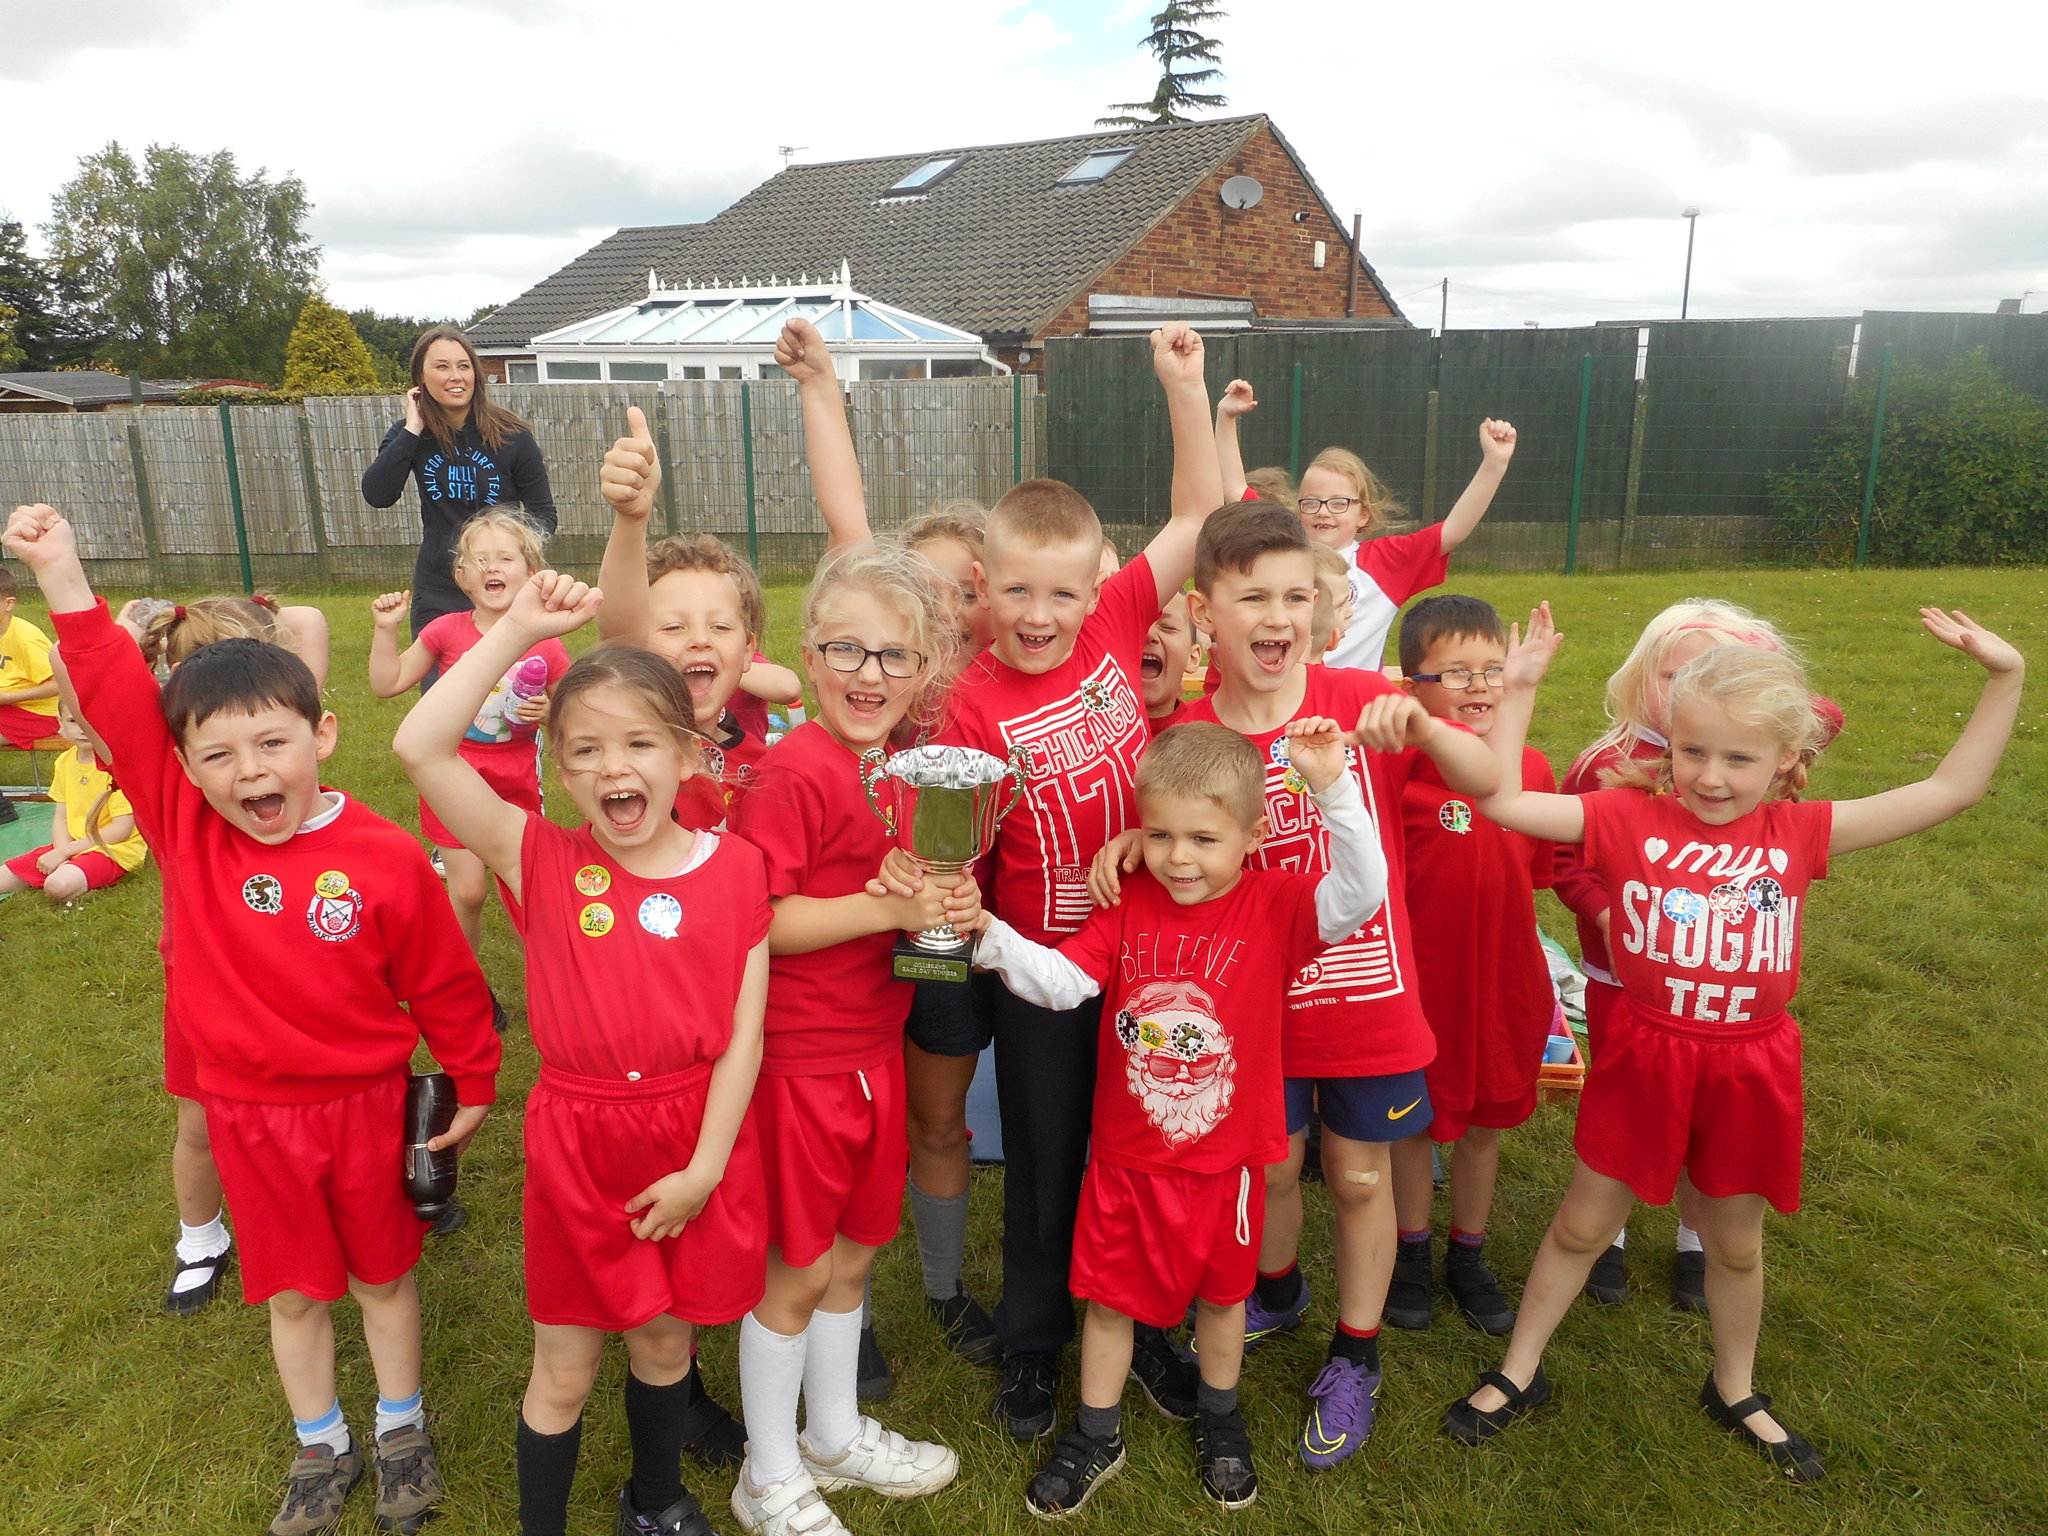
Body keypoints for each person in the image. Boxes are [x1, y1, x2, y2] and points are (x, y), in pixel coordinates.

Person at [1444, 602, 2024, 1484]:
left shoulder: (1798, 832)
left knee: (1736, 1241)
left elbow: (1951, 791)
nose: (1710, 777)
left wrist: (2005, 676)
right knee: (1580, 1225)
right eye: (1691, 751)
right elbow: (1500, 800)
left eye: (1738, 758)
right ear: (1666, 743)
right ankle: (1519, 1369)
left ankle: (1735, 1386)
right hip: (1645, 1055)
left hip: (1751, 1067)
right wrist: (1519, 690)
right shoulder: (1623, 820)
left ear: (1787, 760)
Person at [7, 502, 501, 1536]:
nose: (250, 774)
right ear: (180, 769)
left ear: (321, 734)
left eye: (272, 744)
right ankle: (319, 1442)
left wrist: (476, 1077)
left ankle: (401, 1426)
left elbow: (445, 982)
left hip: (366, 1107)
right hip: (247, 1115)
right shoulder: (188, 828)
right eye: (218, 757)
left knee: (382, 1279)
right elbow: (111, 693)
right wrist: (61, 571)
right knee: (292, 1294)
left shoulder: (379, 857)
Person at [395, 571, 768, 1536]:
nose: (615, 769)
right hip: (580, 1145)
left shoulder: (738, 872)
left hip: (690, 1143)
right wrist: (517, 626)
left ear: (687, 753)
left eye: (640, 743)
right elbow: (418, 744)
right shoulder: (538, 857)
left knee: (664, 1343)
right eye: (586, 750)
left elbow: (742, 1038)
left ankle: (657, 1501)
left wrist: (705, 1169)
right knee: (563, 1366)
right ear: (557, 768)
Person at [1152, 501, 1500, 1472]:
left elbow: (1488, 779)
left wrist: (1422, 731)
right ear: (1203, 612)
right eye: (1251, 596)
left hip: (1364, 1004)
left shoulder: (1359, 700)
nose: (1275, 616)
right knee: (1265, 1171)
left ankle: (1356, 1353)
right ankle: (1275, 1292)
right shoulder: (1184, 729)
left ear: (1320, 604)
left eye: (1294, 596)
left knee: (1356, 1177)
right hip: (1249, 1012)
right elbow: (1161, 853)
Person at [976, 718, 1388, 1516]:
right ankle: (1098, 1432)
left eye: (1203, 837)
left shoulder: (1277, 905)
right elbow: (1062, 983)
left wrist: (1333, 786)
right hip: (1127, 1160)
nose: (1179, 858)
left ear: (1252, 834)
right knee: (1109, 1300)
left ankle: (1221, 1418)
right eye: (1159, 834)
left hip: (1224, 1166)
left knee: (1223, 1301)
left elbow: (1362, 890)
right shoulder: (1130, 899)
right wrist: (988, 933)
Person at [933, 323, 1224, 1441]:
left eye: (1060, 592)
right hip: (1040, 970)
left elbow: (1196, 519)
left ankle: (1141, 1324)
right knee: (1050, 1155)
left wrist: (1181, 387)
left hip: (1153, 946)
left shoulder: (1112, 625)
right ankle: (1035, 1341)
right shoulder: (966, 705)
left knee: (1140, 1143)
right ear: (981, 586)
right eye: (1016, 593)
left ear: (1094, 586)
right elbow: (950, 851)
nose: (1040, 615)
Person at [725, 544, 979, 1536]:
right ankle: (767, 1470)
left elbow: (894, 902)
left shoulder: (892, 769)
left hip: (871, 1050)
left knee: (851, 1253)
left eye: (895, 658)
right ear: (808, 652)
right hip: (799, 1060)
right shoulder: (794, 770)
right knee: (797, 1266)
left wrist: (936, 916)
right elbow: (761, 922)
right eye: (848, 651)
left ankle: (829, 1438)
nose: (869, 675)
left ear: (926, 674)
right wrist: (885, 913)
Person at [777, 316, 1013, 1381]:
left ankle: (940, 1287)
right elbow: (845, 522)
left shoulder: (994, 686)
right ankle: (847, 1312)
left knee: (935, 1121)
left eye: (965, 586)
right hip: (858, 950)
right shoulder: (867, 687)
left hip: (955, 938)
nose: (943, 602)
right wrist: (822, 386)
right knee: (866, 1115)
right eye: (923, 582)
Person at [1551, 599, 1843, 1311]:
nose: (1686, 686)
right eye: (1674, 673)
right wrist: (1606, 911)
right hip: (1622, 981)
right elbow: (1565, 858)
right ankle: (1607, 1236)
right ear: (1641, 677)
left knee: (1709, 1121)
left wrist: (1770, 712)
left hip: (1722, 1003)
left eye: (1711, 673)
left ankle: (1695, 1236)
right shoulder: (1608, 763)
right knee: (1627, 1118)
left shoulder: (1740, 761)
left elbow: (1820, 713)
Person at [1383, 595, 1559, 1335]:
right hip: (1425, 988)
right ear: (1412, 686)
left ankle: (1468, 1253)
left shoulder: (1534, 770)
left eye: (1492, 669)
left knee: (1487, 1122)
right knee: (1415, 1122)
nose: (1480, 685)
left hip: (1503, 984)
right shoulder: (1397, 773)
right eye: (1456, 673)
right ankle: (1411, 1254)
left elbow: (1543, 874)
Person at [371, 509, 569, 969]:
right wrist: (386, 630)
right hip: (452, 771)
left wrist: (549, 713)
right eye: (480, 561)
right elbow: (388, 681)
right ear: (462, 577)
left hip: (515, 775)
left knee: (526, 886)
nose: (493, 568)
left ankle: (548, 977)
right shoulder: (445, 631)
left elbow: (575, 716)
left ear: (532, 573)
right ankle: (464, 983)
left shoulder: (547, 644)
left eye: (505, 558)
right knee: (469, 890)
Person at [596, 408, 800, 831]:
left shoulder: (768, 771)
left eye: (720, 627)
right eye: (673, 627)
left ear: (748, 652)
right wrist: (631, 520)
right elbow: (618, 630)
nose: (699, 639)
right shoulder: (626, 753)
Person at [360, 326, 557, 640]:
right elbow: (377, 494)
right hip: (439, 591)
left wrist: (508, 558)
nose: (456, 376)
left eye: (463, 366)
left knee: (511, 689)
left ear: (475, 375)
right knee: (442, 689)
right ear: (420, 378)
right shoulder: (408, 435)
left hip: (502, 591)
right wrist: (413, 429)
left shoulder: (513, 436)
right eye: (442, 366)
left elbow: (544, 516)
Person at [1290, 425, 1515, 671]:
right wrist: (1237, 417)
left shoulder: (1384, 562)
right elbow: (1240, 491)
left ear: (1363, 514)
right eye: (1311, 502)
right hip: (1286, 697)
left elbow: (1451, 532)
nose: (1323, 511)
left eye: (1338, 503)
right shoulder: (1279, 557)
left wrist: (1495, 464)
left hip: (1356, 702)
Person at [0, 698, 146, 903]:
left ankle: (82, 881)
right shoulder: (64, 762)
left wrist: (64, 852)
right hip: (72, 845)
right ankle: (73, 873)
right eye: (73, 721)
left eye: (91, 721)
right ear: (60, 722)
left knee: (56, 886)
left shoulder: (117, 765)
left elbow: (120, 830)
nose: (83, 729)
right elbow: (61, 817)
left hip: (112, 848)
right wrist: (61, 853)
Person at [0, 563, 61, 825]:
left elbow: (58, 684)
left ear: (9, 603)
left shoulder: (25, 638)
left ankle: (3, 809)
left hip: (39, 713)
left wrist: (4, 699)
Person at [1142, 591, 1197, 734]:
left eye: (1168, 627)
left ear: (1192, 658)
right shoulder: (1081, 727)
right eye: (1136, 624)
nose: (1148, 634)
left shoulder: (1208, 738)